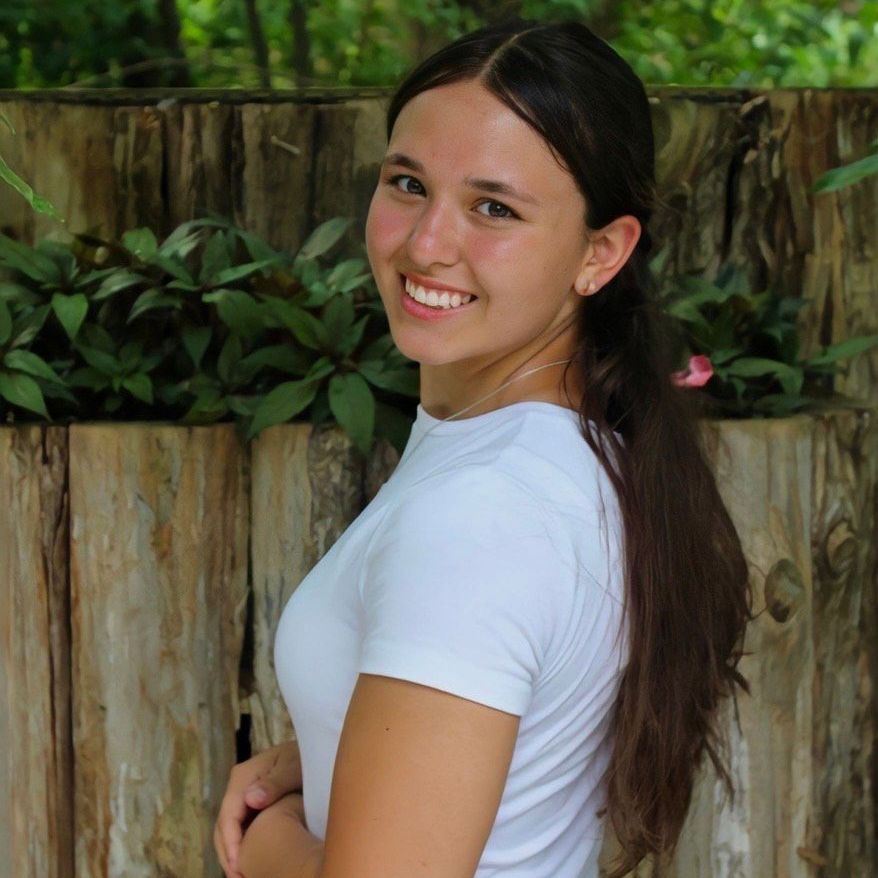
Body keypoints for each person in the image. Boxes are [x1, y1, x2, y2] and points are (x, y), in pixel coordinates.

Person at [213, 17, 753, 878]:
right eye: (407, 183)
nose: (426, 244)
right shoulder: (564, 460)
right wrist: (322, 754)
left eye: (493, 208)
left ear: (600, 252)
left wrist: (269, 835)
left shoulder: (484, 516)